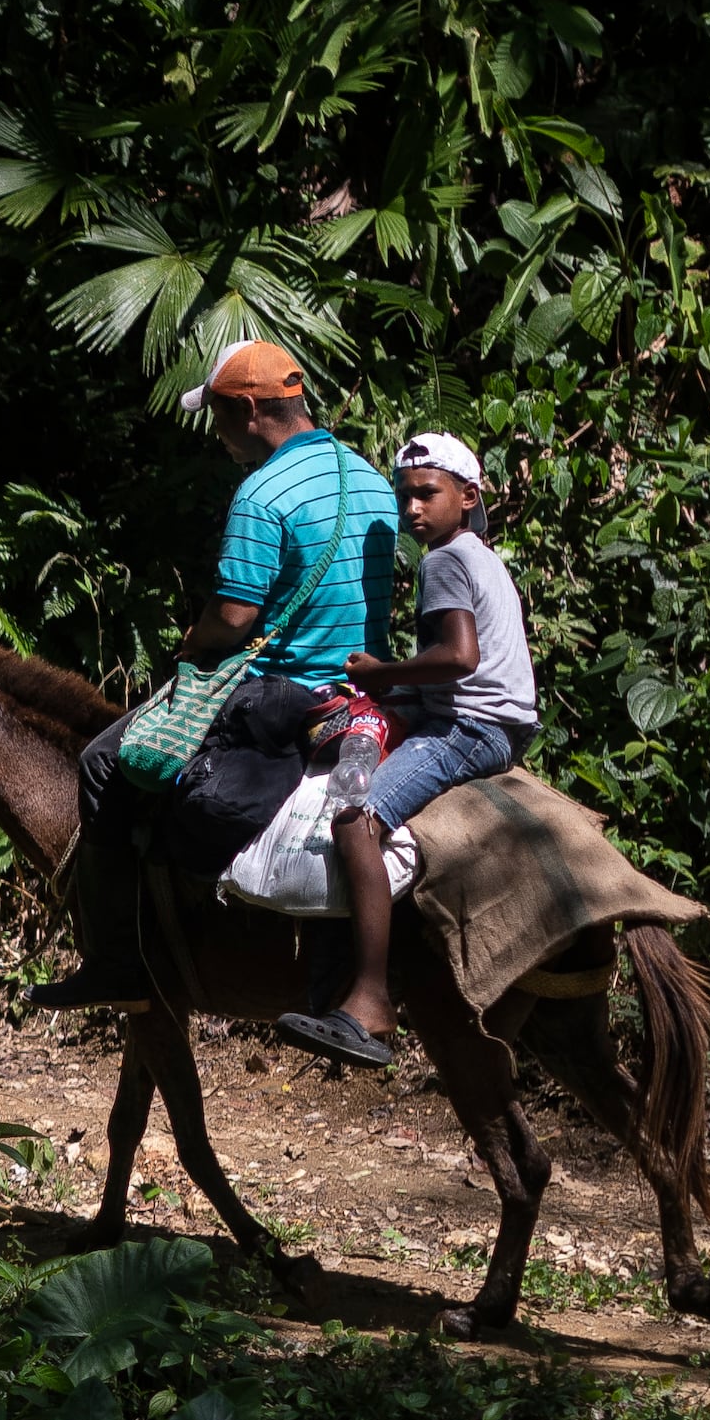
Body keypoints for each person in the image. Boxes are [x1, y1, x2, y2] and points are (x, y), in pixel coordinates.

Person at [32, 340, 408, 1009]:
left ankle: (116, 962)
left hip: (282, 691)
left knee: (98, 763)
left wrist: (192, 642)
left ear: (250, 410)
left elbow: (234, 616)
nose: (217, 432)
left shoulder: (261, 493)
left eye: (218, 416)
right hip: (362, 689)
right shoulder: (369, 476)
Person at [278, 429, 538, 1071]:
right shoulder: (482, 554)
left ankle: (368, 1001)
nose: (413, 510)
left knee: (354, 818)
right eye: (405, 498)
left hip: (471, 727)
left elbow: (459, 658)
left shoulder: (444, 561)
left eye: (427, 494)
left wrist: (381, 675)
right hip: (497, 721)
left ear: (468, 495)